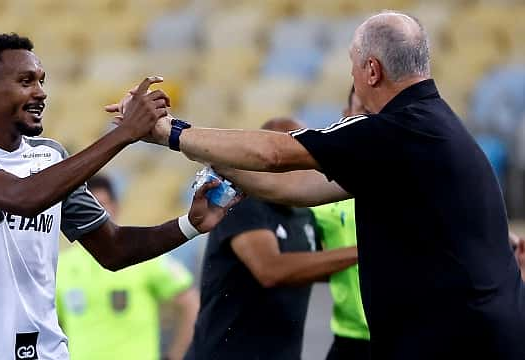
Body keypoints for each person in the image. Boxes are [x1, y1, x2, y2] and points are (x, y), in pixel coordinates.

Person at [108, 10, 525, 360]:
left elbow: (275, 154)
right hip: (471, 330)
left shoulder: (395, 129)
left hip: (456, 339)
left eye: (352, 65)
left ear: (371, 70)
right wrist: (214, 159)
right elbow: (298, 187)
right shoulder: (427, 126)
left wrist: (169, 133)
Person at [0, 33, 235, 360]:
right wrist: (124, 134)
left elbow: (114, 249)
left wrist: (190, 223)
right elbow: (23, 197)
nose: (40, 93)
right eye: (26, 81)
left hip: (45, 352)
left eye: (42, 81)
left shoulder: (50, 158)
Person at [184, 118, 358, 360]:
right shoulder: (241, 203)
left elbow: (319, 266)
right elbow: (270, 270)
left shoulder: (304, 212)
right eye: (295, 152)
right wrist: (361, 252)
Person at [56, 174, 200, 360]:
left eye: (103, 204)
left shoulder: (142, 256)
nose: (96, 212)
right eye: (90, 206)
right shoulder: (62, 265)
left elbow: (191, 303)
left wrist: (176, 356)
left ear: (116, 207)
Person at [312, 87, 370, 360]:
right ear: (346, 116)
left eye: (374, 114)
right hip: (351, 339)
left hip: (412, 335)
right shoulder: (319, 193)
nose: (368, 121)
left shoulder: (419, 179)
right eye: (362, 111)